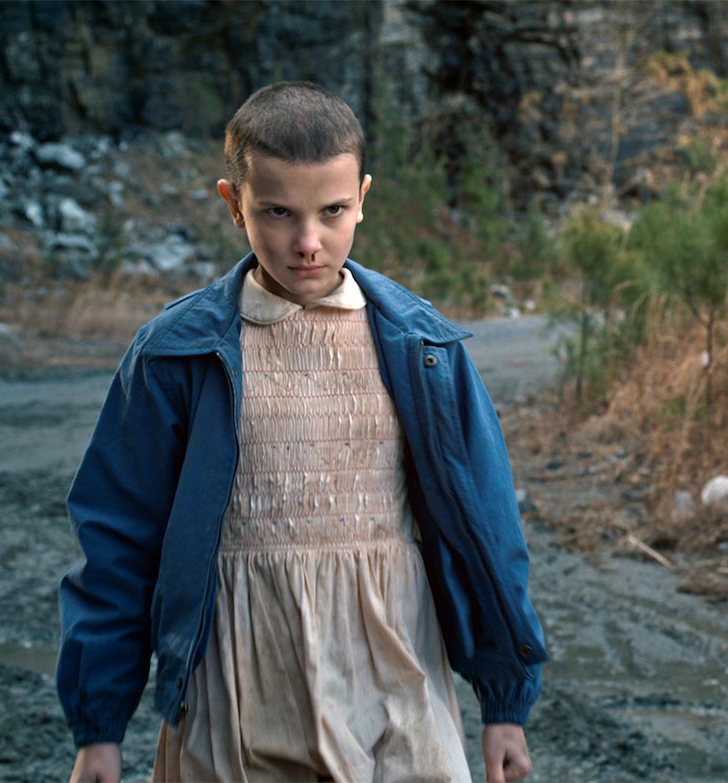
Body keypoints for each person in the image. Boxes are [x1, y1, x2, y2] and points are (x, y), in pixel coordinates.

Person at [58, 81, 548, 783]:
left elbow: (489, 527)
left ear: (363, 198)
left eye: (333, 211)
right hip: (240, 684)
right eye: (278, 212)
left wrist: (505, 701)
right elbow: (117, 541)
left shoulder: (423, 347)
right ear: (234, 203)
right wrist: (99, 727)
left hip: (398, 677)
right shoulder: (177, 354)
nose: (309, 242)